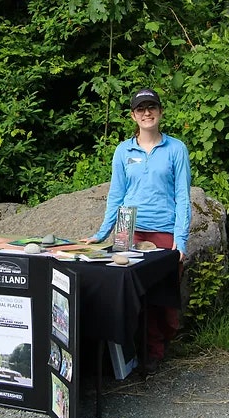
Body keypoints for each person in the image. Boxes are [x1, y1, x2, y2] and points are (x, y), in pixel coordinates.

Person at [82, 88, 191, 374]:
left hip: (163, 232)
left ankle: (156, 349)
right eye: (140, 109)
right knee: (127, 295)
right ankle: (130, 355)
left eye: (151, 107)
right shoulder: (123, 150)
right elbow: (116, 194)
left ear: (160, 111)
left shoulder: (176, 149)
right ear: (133, 115)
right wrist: (102, 233)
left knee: (162, 299)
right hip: (127, 232)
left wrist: (180, 242)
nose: (146, 113)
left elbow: (182, 197)